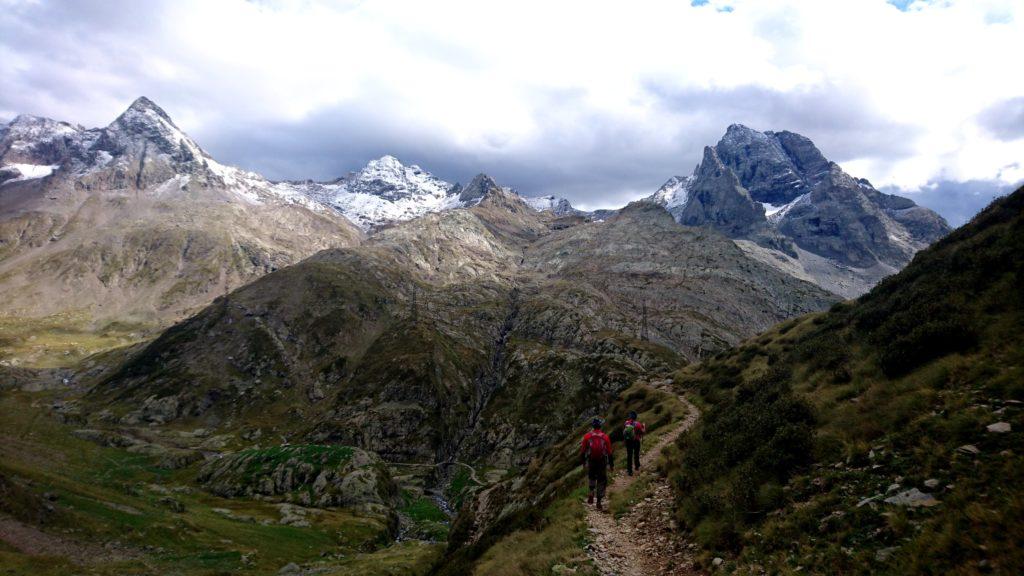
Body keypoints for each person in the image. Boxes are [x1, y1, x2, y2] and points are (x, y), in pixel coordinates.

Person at [581, 417, 613, 510]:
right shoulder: (605, 437)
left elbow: (583, 451)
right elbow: (610, 452)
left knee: (592, 476)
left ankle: (591, 491)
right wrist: (611, 465)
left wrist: (583, 463)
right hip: (602, 461)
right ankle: (598, 501)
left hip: (591, 460)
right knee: (601, 480)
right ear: (600, 426)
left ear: (593, 426)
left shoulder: (587, 436)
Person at [623, 411, 646, 476]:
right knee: (636, 454)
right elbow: (642, 432)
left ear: (630, 416)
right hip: (636, 441)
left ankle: (629, 470)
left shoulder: (626, 423)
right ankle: (637, 466)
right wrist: (644, 426)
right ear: (635, 417)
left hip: (628, 441)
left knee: (629, 455)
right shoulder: (638, 424)